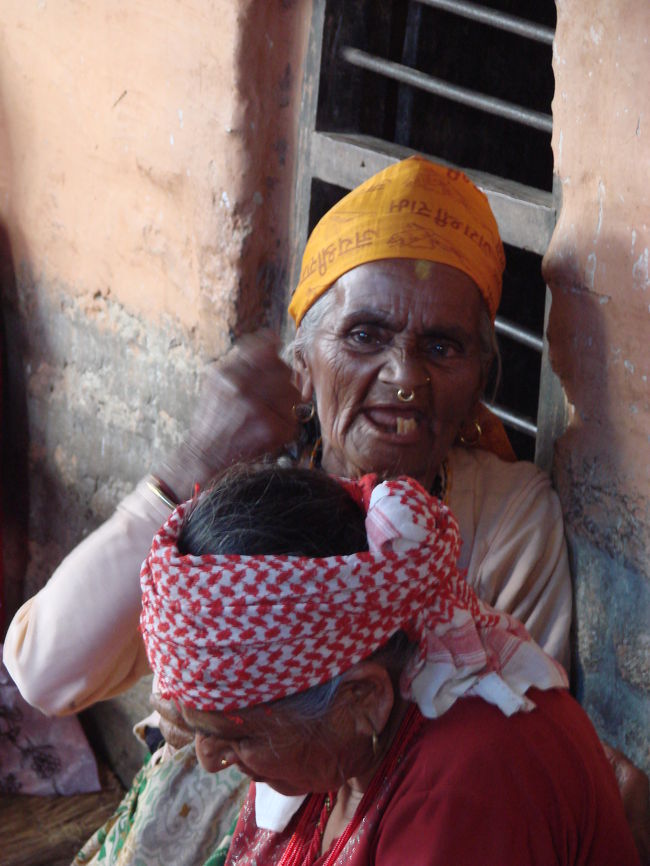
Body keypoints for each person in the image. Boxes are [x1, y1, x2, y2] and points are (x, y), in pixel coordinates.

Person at [3, 156, 646, 862]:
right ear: (302, 368)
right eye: (365, 335)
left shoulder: (506, 516)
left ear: (478, 387)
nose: (405, 378)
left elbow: (469, 742)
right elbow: (45, 671)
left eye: (442, 345)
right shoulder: (251, 500)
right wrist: (193, 465)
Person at [139, 462, 639, 865]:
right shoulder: (328, 728)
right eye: (198, 726)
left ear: (364, 698)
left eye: (237, 737)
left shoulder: (467, 787)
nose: (207, 759)